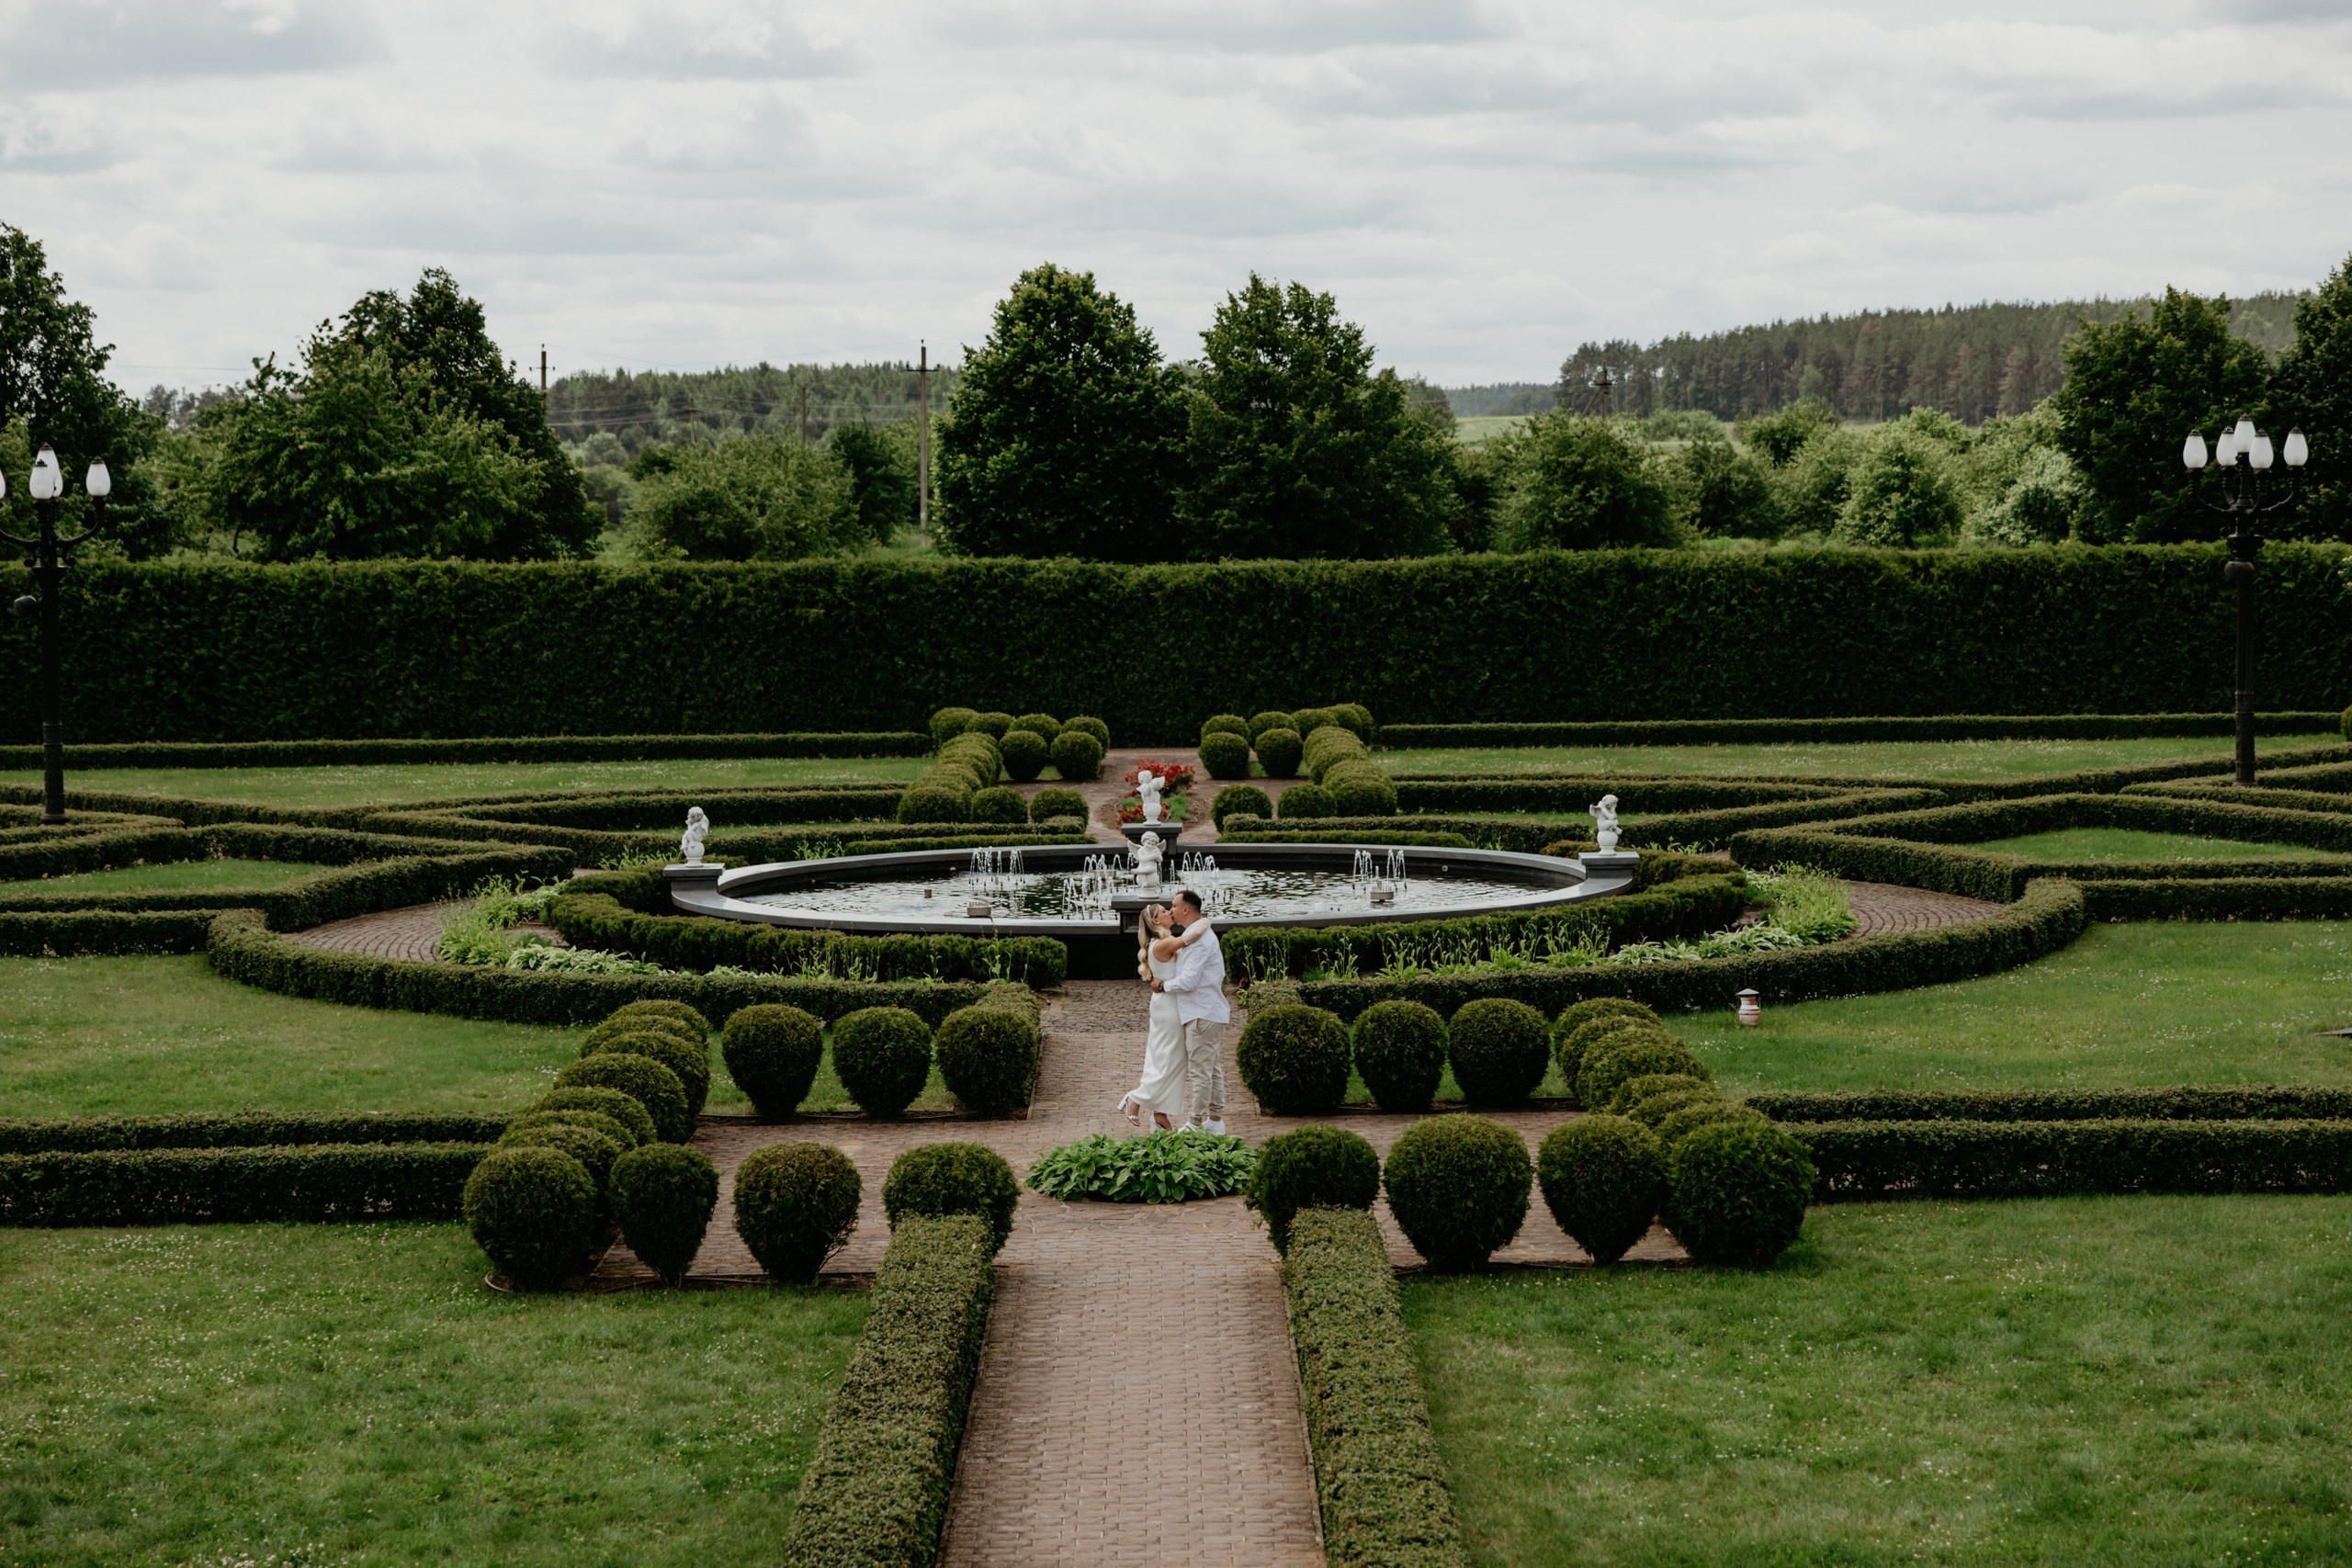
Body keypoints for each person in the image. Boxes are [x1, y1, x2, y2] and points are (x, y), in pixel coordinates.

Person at [1151, 887, 1229, 1134]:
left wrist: (1163, 986)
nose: (1171, 910)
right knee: (1211, 1069)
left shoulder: (1199, 941)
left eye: (1173, 906)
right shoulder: (1198, 936)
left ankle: (1195, 1123)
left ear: (1185, 909)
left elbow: (1189, 982)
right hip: (1207, 1011)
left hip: (1201, 1013)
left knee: (1200, 1072)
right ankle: (1215, 1121)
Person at [1117, 903, 1190, 1130]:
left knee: (1166, 1057)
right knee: (1171, 1058)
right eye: (1165, 911)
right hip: (1169, 1006)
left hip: (1167, 1003)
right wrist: (1198, 918)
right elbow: (1194, 935)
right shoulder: (1163, 944)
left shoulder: (1159, 943)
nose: (1170, 912)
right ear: (1156, 921)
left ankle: (1160, 1113)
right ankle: (1136, 1098)